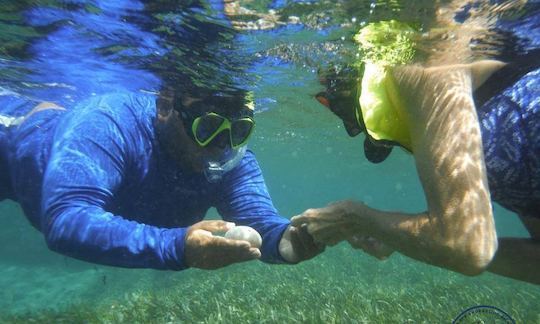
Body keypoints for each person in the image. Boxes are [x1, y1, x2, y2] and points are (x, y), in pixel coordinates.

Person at [292, 9, 540, 285]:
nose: (353, 129)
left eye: (336, 105)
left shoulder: (421, 66)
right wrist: (399, 236)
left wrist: (355, 217)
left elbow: (467, 248)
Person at [0, 85, 324, 271]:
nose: (221, 147)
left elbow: (260, 223)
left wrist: (292, 239)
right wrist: (176, 247)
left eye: (239, 131)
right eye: (207, 128)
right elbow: (66, 219)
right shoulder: (111, 121)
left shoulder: (233, 160)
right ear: (165, 107)